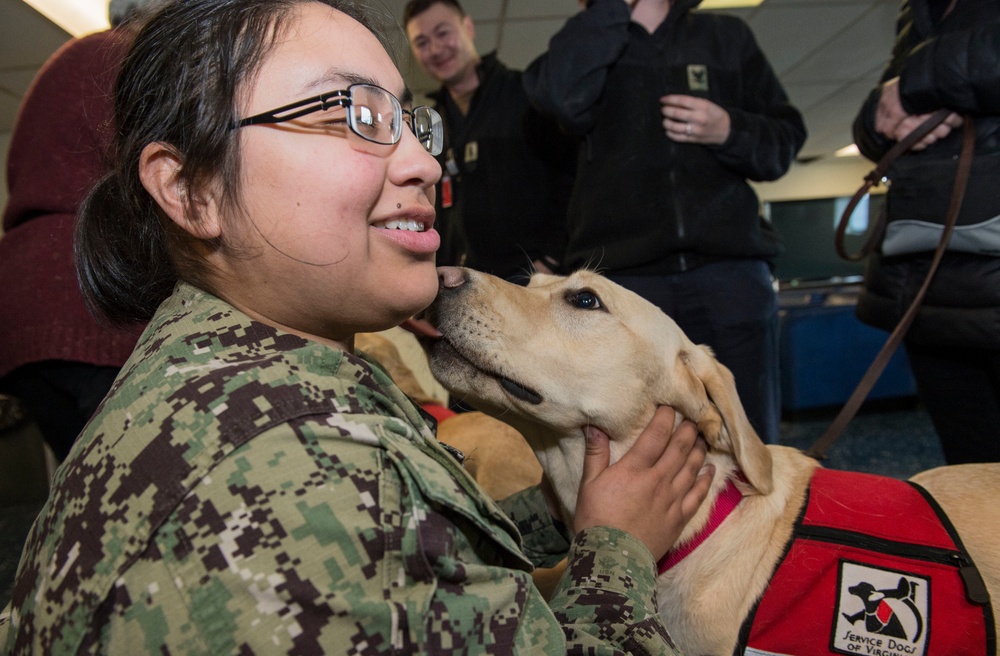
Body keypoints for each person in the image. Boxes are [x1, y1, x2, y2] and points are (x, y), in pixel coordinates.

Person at [0, 1, 714, 653]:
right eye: (355, 115)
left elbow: (427, 557)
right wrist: (616, 547)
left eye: (410, 123)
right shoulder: (282, 482)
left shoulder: (232, 375)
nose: (425, 163)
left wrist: (564, 511)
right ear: (192, 192)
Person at [521, 0, 806, 444]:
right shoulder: (587, 42)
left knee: (748, 433)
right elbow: (558, 97)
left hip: (729, 272)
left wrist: (729, 129)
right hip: (628, 284)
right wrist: (609, 10)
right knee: (641, 442)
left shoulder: (725, 37)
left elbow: (784, 141)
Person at [0, 0, 161, 461]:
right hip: (80, 290)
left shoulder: (70, 59)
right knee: (140, 472)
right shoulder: (124, 62)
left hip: (19, 299)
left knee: (87, 480)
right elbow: (153, 178)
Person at [852, 0, 1000, 465]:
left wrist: (916, 85)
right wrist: (882, 110)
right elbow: (877, 124)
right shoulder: (913, 13)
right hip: (930, 290)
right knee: (970, 477)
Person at [403, 0, 574, 283]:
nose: (435, 49)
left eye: (443, 33)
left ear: (468, 27)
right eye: (422, 42)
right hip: (461, 288)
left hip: (529, 288)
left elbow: (573, 180)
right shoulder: (430, 124)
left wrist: (551, 259)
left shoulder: (527, 95)